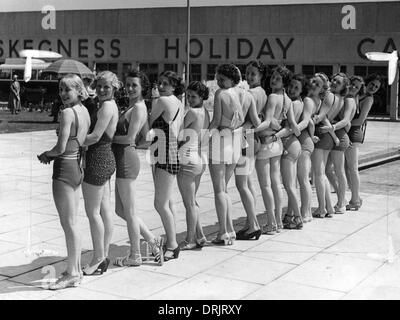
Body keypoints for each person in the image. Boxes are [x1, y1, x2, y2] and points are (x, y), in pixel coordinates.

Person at [37, 74, 90, 290]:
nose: (62, 94)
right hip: (77, 167)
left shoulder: (67, 112)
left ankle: (72, 273)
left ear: (78, 90)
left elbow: (59, 148)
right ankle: (75, 268)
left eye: (67, 89)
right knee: (73, 222)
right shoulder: (84, 111)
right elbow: (79, 141)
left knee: (68, 224)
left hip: (64, 169)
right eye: (60, 89)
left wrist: (46, 155)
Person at [112, 70, 163, 266]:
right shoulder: (135, 106)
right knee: (120, 210)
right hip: (125, 157)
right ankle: (152, 240)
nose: (130, 88)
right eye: (128, 84)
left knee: (130, 211)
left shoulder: (139, 108)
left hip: (126, 159)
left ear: (143, 88)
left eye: (135, 85)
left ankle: (135, 255)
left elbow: (130, 138)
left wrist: (105, 138)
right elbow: (147, 137)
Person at [208, 64, 256, 245]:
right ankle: (229, 231)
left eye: (222, 79)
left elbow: (216, 121)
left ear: (231, 79)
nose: (219, 83)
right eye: (218, 79)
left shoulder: (221, 94)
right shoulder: (246, 94)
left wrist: (200, 139)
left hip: (222, 140)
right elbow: (253, 121)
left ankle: (224, 231)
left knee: (219, 189)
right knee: (225, 189)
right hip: (237, 141)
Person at [81, 71, 119, 275]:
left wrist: (71, 139)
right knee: (104, 211)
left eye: (107, 87)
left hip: (98, 159)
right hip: (105, 158)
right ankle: (102, 254)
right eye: (100, 86)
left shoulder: (106, 106)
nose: (102, 90)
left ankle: (97, 258)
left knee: (93, 212)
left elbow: (95, 136)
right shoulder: (107, 104)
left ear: (114, 89)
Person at [149, 70, 185, 260]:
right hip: (171, 149)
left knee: (160, 203)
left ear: (174, 86)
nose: (161, 87)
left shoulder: (162, 101)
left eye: (165, 84)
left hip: (162, 150)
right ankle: (173, 239)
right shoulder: (178, 102)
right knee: (169, 200)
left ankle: (172, 244)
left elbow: (148, 122)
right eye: (159, 83)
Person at [254, 65, 292, 234]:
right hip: (277, 143)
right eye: (273, 76)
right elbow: (289, 126)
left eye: (278, 78)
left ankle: (271, 222)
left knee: (266, 185)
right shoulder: (287, 99)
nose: (273, 80)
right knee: (276, 184)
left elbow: (268, 121)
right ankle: (278, 219)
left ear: (284, 82)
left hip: (265, 143)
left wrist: (249, 131)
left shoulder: (272, 97)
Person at [177, 81, 210, 250]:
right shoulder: (206, 113)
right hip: (199, 158)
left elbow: (179, 134)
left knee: (189, 203)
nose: (190, 99)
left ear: (202, 97)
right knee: (193, 201)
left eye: (194, 96)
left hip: (188, 159)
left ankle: (189, 240)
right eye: (188, 96)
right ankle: (200, 235)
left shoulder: (191, 112)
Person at [312, 72, 349, 218]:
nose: (333, 82)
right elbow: (327, 118)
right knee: (323, 173)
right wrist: (334, 136)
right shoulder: (340, 98)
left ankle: (323, 207)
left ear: (344, 87)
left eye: (338, 82)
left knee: (319, 174)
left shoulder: (329, 95)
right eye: (333, 79)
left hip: (321, 133)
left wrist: (309, 118)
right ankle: (328, 205)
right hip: (327, 135)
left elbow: (322, 116)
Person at [235, 61, 264, 240]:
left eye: (253, 74)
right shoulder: (263, 93)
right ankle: (250, 221)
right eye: (248, 73)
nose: (249, 76)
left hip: (246, 140)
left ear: (261, 76)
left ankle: (253, 225)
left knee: (242, 184)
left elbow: (251, 120)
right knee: (248, 183)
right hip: (254, 140)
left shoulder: (249, 94)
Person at [345, 74, 382, 210]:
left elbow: (360, 120)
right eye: (372, 84)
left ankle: (355, 200)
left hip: (354, 134)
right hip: (346, 132)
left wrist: (342, 123)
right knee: (345, 168)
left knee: (353, 168)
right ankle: (356, 197)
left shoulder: (368, 99)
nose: (373, 88)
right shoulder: (355, 94)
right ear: (366, 83)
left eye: (377, 87)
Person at [296, 73, 327, 223]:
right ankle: (306, 211)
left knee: (303, 180)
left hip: (304, 140)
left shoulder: (308, 100)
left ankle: (305, 213)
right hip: (307, 140)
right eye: (313, 80)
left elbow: (309, 121)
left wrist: (292, 129)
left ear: (321, 89)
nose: (313, 83)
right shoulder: (318, 100)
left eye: (318, 84)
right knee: (305, 179)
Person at [279, 74, 306, 229]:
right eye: (292, 86)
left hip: (289, 144)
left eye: (297, 87)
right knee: (291, 185)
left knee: (289, 185)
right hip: (294, 145)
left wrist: (274, 136)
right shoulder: (299, 102)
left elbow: (290, 128)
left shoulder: (294, 104)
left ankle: (298, 217)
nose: (292, 89)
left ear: (302, 91)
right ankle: (291, 215)